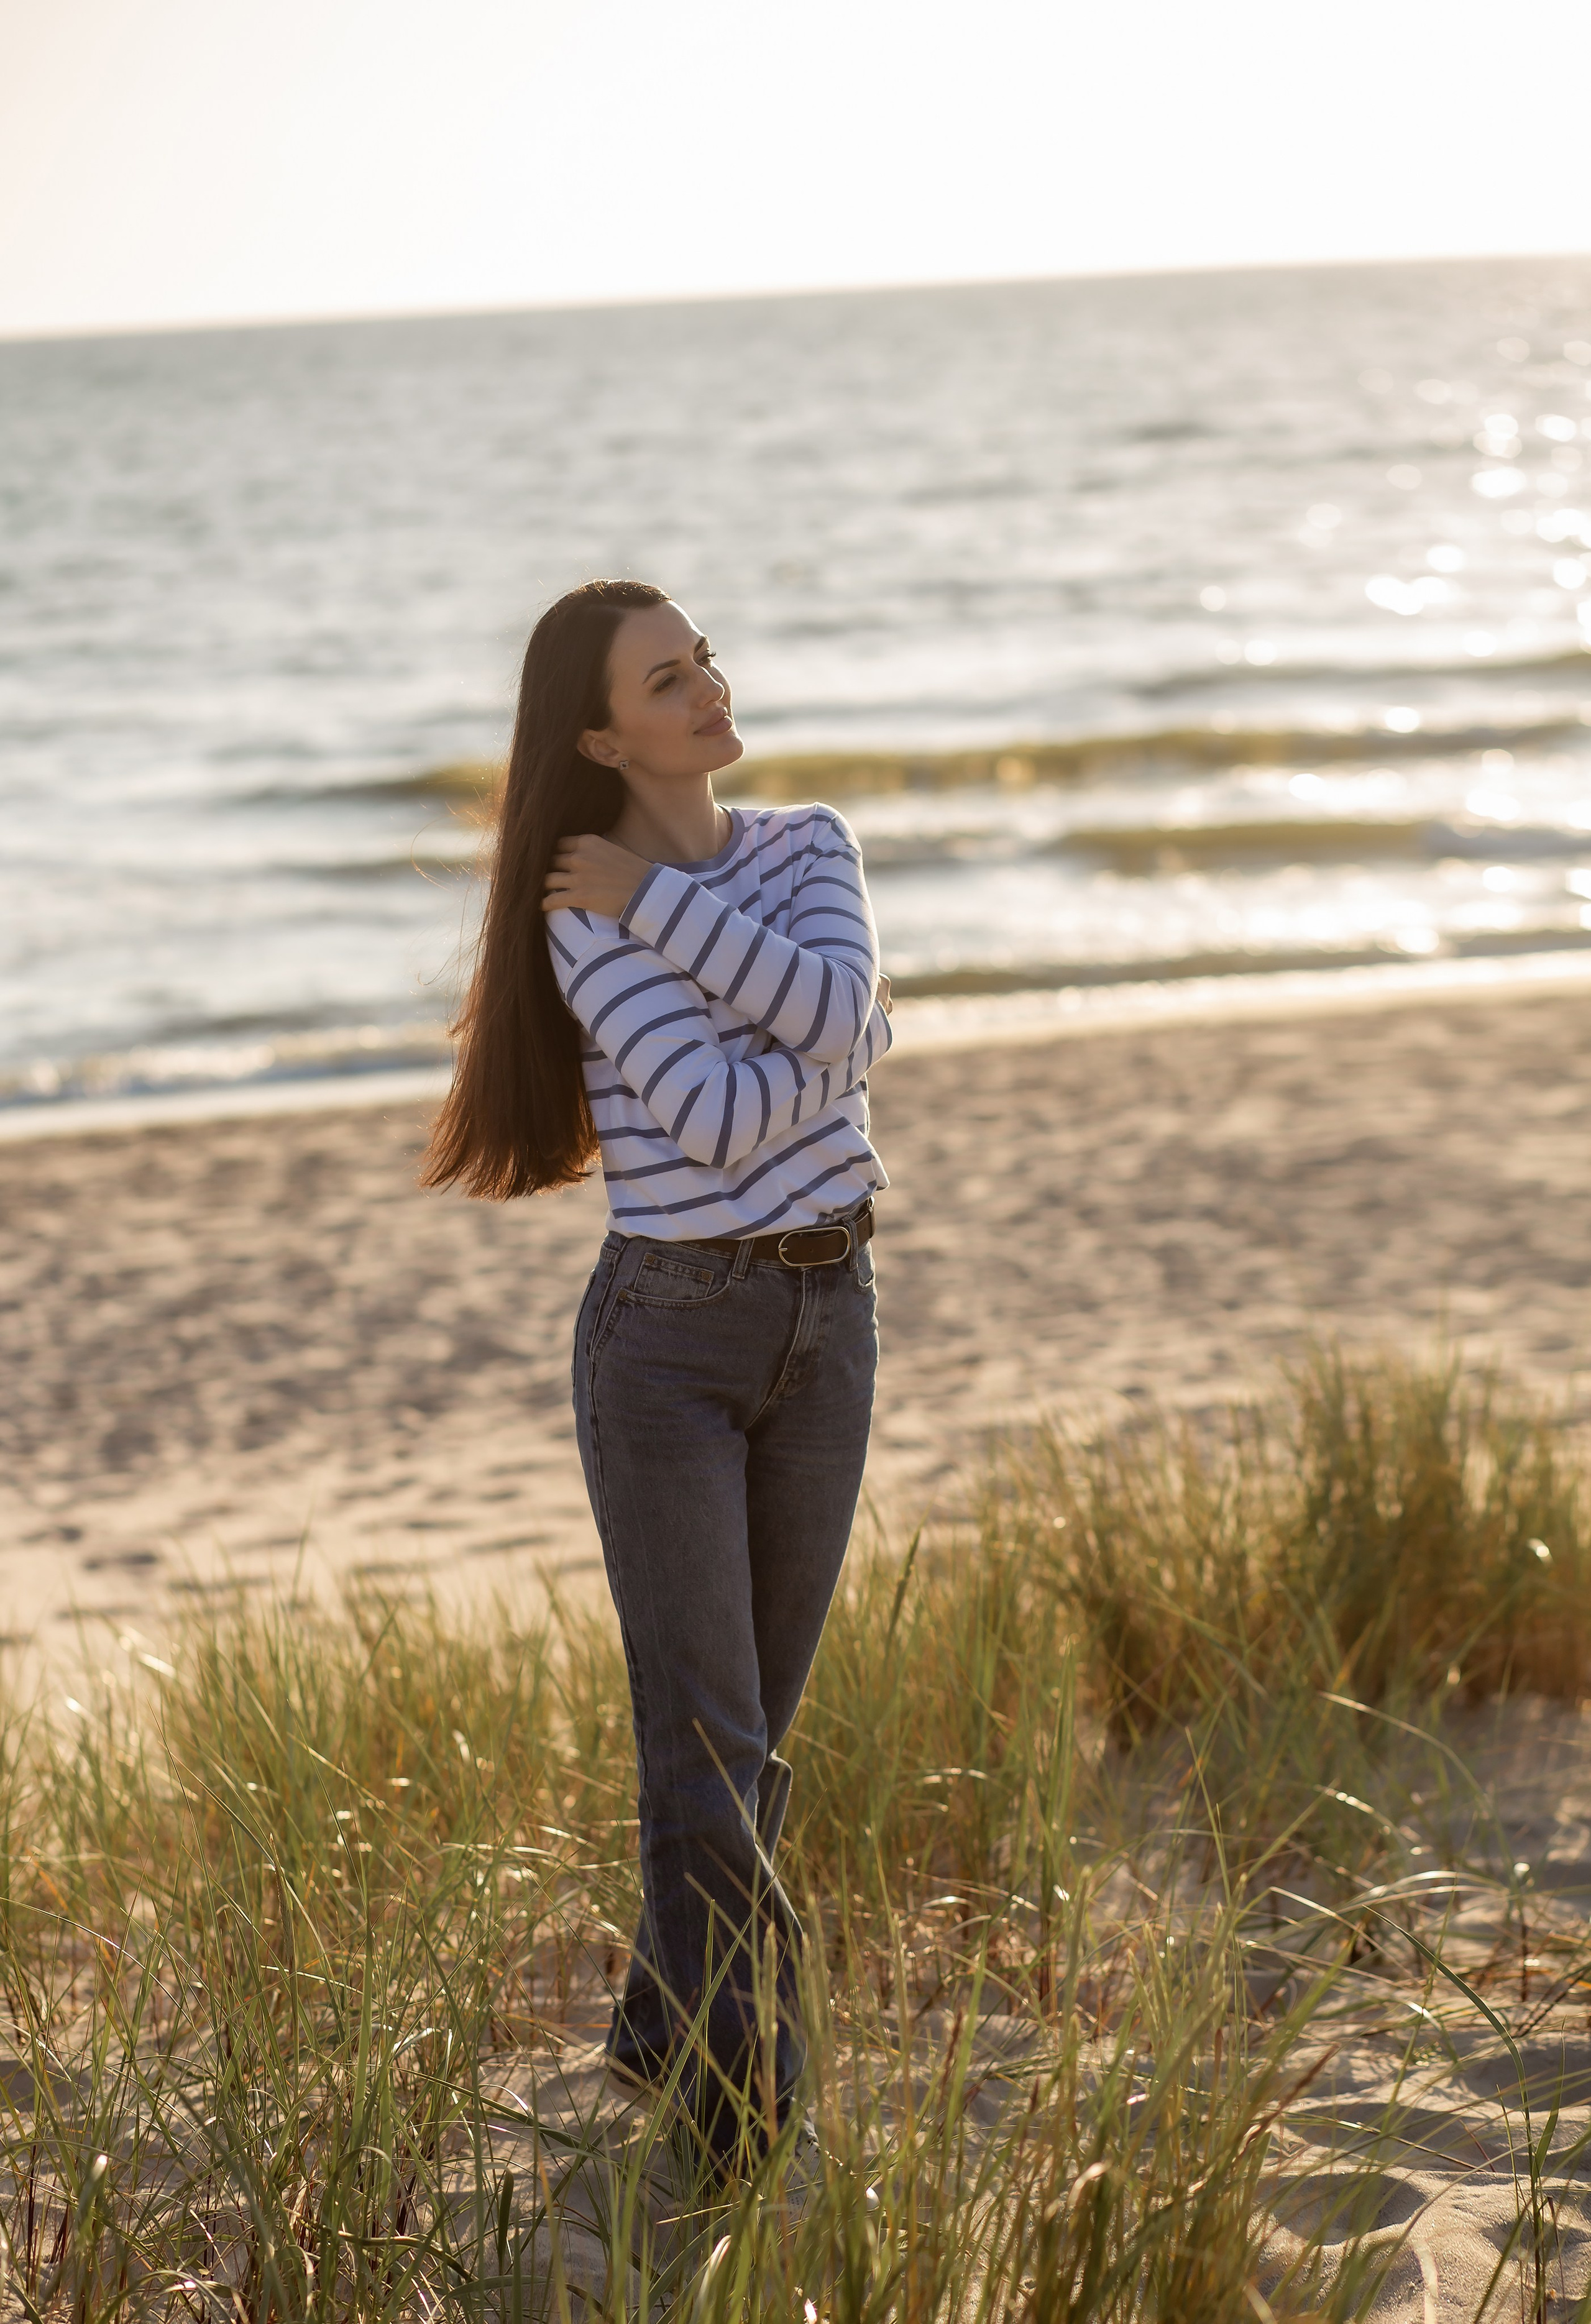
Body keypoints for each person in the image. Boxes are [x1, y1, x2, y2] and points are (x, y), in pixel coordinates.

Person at [421, 578, 891, 2168]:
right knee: (706, 1744)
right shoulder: (571, 911)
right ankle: (737, 2106)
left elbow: (829, 1013)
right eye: (664, 678)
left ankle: (647, 2020)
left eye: (702, 661)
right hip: (671, 1345)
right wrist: (840, 1051)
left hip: (833, 1323)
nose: (705, 690)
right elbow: (714, 1113)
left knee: (755, 1741)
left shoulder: (806, 843)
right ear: (599, 732)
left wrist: (667, 906)